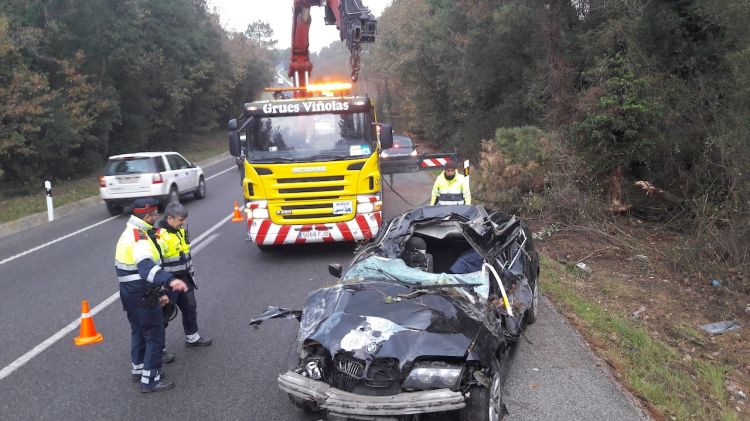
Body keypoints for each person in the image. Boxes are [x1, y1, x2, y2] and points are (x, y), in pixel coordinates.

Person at [115, 198, 188, 393]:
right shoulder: (140, 239)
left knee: (138, 331)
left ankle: (139, 371)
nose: (157, 218)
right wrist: (170, 281)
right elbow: (146, 268)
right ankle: (151, 380)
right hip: (143, 295)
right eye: (155, 215)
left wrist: (161, 291)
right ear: (147, 215)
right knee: (155, 335)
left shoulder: (128, 233)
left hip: (129, 294)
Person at [154, 203, 213, 348]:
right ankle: (158, 350)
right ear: (170, 219)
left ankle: (192, 338)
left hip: (184, 278)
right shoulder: (158, 236)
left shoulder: (179, 230)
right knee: (163, 316)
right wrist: (160, 289)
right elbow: (156, 265)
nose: (184, 223)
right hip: (169, 283)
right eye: (181, 220)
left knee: (190, 308)